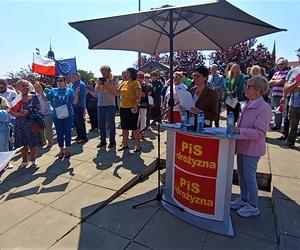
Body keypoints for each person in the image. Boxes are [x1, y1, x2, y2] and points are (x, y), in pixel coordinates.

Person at [230, 76, 272, 217]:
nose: (245, 88)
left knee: (249, 176)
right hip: (242, 145)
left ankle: (253, 205)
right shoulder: (246, 104)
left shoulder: (264, 108)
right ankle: (244, 199)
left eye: (249, 86)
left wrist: (239, 130)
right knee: (241, 175)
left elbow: (260, 133)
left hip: (252, 149)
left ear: (258, 90)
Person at [35, 75, 79, 159]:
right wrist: (41, 91)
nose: (59, 82)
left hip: (68, 115)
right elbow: (45, 99)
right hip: (56, 115)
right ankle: (61, 149)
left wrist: (76, 93)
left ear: (65, 82)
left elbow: (75, 102)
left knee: (67, 132)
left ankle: (67, 149)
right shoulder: (53, 90)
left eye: (61, 80)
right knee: (59, 133)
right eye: (57, 80)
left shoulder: (70, 90)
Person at [10, 79, 42, 168]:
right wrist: (19, 114)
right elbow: (11, 111)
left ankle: (33, 161)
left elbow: (39, 109)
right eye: (23, 85)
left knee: (33, 143)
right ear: (18, 87)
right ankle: (24, 161)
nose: (25, 87)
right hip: (20, 124)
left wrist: (29, 112)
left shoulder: (33, 97)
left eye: (27, 85)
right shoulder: (16, 98)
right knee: (23, 144)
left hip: (32, 124)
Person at [118, 68, 141, 152]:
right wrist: (109, 85)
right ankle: (125, 144)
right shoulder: (124, 82)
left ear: (131, 73)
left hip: (132, 108)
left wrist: (136, 105)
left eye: (127, 73)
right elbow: (117, 92)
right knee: (124, 128)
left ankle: (138, 146)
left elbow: (138, 97)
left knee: (134, 128)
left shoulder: (136, 83)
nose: (125, 74)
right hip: (123, 107)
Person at [95, 65, 119, 148]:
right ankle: (103, 141)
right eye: (102, 72)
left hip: (110, 105)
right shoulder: (100, 80)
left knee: (111, 125)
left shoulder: (114, 80)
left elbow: (117, 93)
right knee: (101, 125)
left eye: (105, 72)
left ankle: (112, 141)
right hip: (100, 105)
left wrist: (108, 85)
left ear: (109, 71)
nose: (103, 74)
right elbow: (96, 92)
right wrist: (98, 84)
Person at [282, 54, 300, 148]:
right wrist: (296, 83)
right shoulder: (293, 71)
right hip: (294, 103)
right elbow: (286, 88)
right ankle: (290, 141)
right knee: (293, 124)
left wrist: (297, 87)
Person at [269, 58, 289, 130]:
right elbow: (270, 82)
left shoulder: (287, 72)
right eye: (278, 64)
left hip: (282, 94)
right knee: (276, 110)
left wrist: (275, 81)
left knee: (281, 110)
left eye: (282, 64)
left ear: (286, 64)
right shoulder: (276, 73)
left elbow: (280, 82)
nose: (280, 65)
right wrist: (277, 82)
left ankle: (279, 126)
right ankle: (277, 125)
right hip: (274, 93)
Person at [69, 73, 88, 144]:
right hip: (73, 106)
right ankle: (79, 135)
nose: (72, 77)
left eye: (74, 76)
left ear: (78, 77)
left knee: (80, 122)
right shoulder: (72, 84)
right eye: (72, 76)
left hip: (79, 106)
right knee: (76, 122)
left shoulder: (81, 84)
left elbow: (80, 95)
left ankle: (84, 137)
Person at [34, 82, 54, 147]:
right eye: (35, 87)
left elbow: (45, 101)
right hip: (41, 115)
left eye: (38, 87)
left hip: (48, 114)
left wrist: (41, 91)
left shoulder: (45, 94)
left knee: (48, 129)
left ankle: (50, 141)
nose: (36, 89)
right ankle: (43, 141)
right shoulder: (36, 96)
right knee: (41, 129)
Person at [137, 71, 149, 136]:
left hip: (143, 105)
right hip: (136, 105)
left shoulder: (144, 86)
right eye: (138, 77)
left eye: (140, 77)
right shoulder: (136, 84)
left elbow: (144, 95)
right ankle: (135, 133)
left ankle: (142, 132)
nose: (138, 78)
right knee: (136, 119)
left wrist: (136, 93)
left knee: (143, 119)